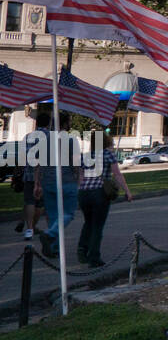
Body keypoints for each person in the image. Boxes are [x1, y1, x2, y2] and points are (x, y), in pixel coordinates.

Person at [31, 109, 82, 261]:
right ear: (65, 124)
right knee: (68, 214)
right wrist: (79, 180)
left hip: (47, 182)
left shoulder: (43, 140)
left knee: (54, 216)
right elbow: (76, 163)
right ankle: (49, 235)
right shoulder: (71, 140)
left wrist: (37, 183)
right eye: (69, 121)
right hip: (66, 181)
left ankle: (53, 248)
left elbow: (37, 164)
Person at [77, 132, 132, 267]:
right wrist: (127, 191)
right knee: (97, 225)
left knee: (88, 222)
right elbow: (117, 174)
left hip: (84, 193)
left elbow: (80, 177)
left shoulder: (85, 156)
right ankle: (94, 257)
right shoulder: (108, 154)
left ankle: (82, 248)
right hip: (99, 192)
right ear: (106, 141)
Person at [19, 111, 49, 241]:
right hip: (45, 175)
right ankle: (34, 226)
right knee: (41, 204)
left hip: (29, 173)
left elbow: (21, 156)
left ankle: (29, 229)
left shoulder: (27, 136)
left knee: (29, 201)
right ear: (48, 123)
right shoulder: (50, 137)